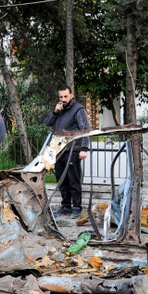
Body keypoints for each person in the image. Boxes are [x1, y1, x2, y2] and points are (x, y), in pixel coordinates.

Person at [45, 85, 90, 218]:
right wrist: (55, 112)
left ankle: (76, 207)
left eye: (65, 96)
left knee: (73, 180)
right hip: (58, 151)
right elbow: (48, 123)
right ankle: (66, 206)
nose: (63, 99)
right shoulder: (60, 109)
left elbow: (85, 130)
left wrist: (84, 148)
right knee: (61, 179)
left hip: (73, 150)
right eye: (61, 97)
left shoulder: (78, 110)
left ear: (72, 95)